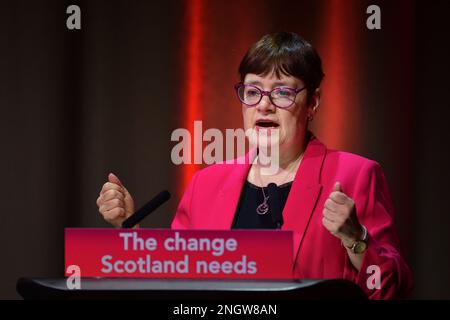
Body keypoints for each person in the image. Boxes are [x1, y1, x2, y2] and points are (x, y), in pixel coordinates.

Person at [97, 32, 413, 299]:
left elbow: (394, 289)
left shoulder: (355, 175)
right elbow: (174, 284)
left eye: (282, 92)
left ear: (312, 103)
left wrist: (356, 239)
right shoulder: (207, 184)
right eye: (252, 91)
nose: (264, 104)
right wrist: (131, 229)